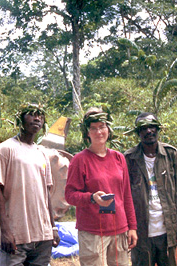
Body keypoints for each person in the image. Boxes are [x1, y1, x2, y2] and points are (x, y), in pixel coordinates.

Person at [65, 107, 137, 266]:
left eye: (102, 127)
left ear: (108, 129)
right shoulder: (79, 160)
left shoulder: (118, 158)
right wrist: (91, 197)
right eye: (93, 128)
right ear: (87, 133)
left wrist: (132, 227)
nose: (99, 132)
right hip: (92, 232)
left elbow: (126, 195)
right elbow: (70, 195)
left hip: (119, 229)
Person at [0, 103, 60, 266]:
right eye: (31, 114)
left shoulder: (42, 153)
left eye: (40, 116)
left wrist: (53, 227)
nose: (37, 119)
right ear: (20, 120)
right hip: (15, 237)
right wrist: (5, 231)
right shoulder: (5, 149)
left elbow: (46, 195)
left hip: (42, 238)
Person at [124, 112, 177, 266]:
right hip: (141, 231)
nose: (149, 131)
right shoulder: (129, 158)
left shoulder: (170, 154)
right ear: (138, 133)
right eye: (144, 128)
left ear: (158, 129)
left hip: (167, 228)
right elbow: (124, 196)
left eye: (152, 127)